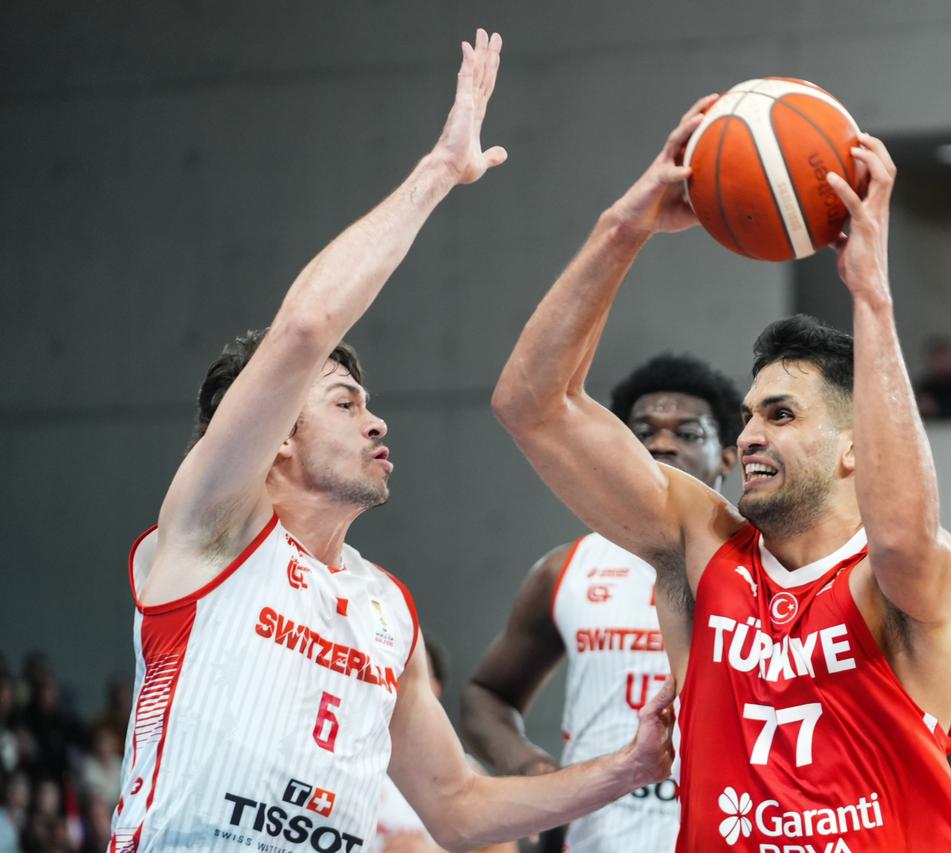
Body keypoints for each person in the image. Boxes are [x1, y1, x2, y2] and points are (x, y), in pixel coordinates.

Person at [109, 30, 673, 852]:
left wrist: (630, 765)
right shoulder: (211, 525)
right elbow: (306, 326)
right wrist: (441, 170)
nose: (376, 420)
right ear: (273, 442)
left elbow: (457, 807)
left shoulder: (387, 611)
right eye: (344, 402)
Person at [492, 99, 951, 850]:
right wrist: (625, 227)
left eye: (781, 415)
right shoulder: (700, 546)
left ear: (855, 447)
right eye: (750, 416)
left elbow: (900, 534)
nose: (750, 435)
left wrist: (871, 296)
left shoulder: (906, 577)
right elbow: (531, 403)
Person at [462, 354, 741, 852]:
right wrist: (532, 770)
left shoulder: (766, 570)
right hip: (595, 837)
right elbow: (486, 695)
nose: (661, 444)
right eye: (643, 432)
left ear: (728, 456)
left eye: (688, 433)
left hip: (730, 831)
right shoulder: (565, 569)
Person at [373, 639, 515, 853]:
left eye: (409, 674)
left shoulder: (466, 771)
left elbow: (502, 847)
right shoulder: (339, 757)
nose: (398, 683)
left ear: (434, 688)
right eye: (393, 670)